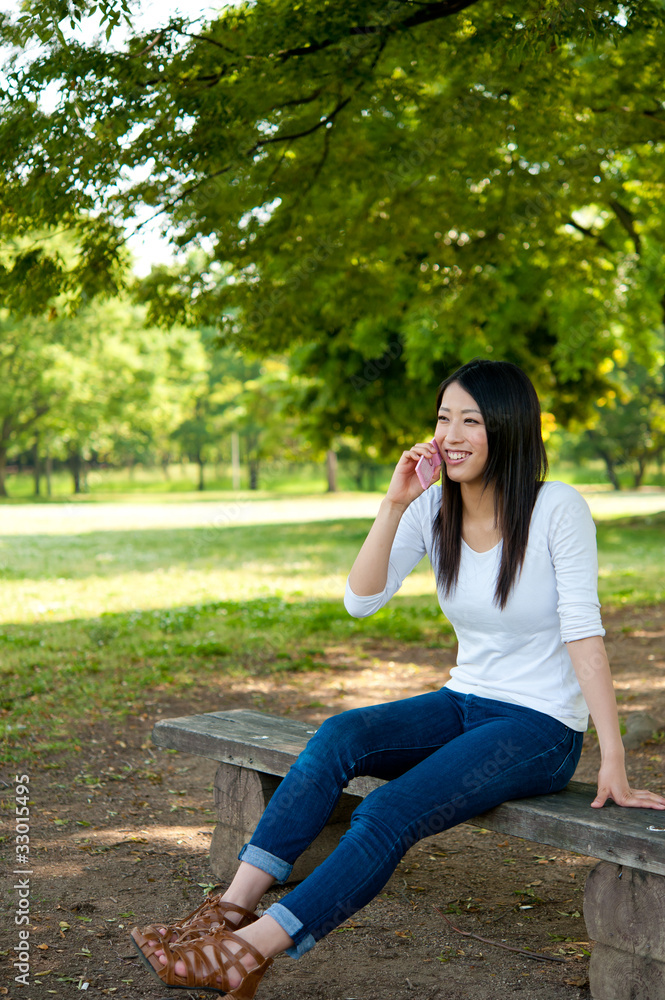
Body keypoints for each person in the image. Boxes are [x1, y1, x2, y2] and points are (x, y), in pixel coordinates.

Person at [130, 359, 665, 997]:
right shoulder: (432, 508)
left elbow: (583, 629)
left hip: (539, 728)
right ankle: (228, 911)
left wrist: (614, 757)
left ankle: (248, 951)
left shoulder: (556, 507)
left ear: (510, 429)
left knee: (389, 809)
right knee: (337, 736)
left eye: (473, 419)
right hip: (463, 700)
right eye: (444, 418)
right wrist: (394, 503)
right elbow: (362, 599)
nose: (453, 433)